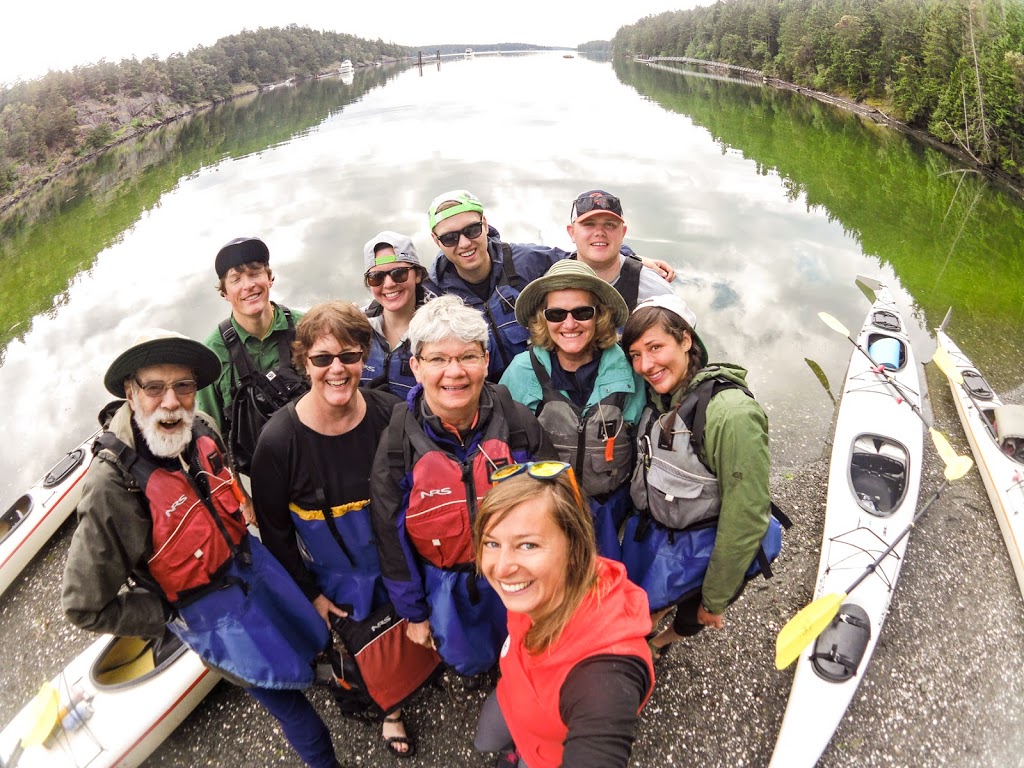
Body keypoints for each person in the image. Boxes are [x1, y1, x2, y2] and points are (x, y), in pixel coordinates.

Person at [62, 330, 340, 768]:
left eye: (184, 386)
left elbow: (222, 487)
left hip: (255, 570)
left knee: (312, 638)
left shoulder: (202, 429)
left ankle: (331, 680)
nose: (171, 402)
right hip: (214, 617)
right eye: (154, 388)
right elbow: (83, 607)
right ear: (131, 394)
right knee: (293, 711)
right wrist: (166, 615)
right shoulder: (110, 487)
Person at [250, 301, 418, 757]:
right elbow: (276, 532)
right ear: (303, 362)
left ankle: (418, 674)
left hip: (398, 558)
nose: (337, 369)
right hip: (338, 577)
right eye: (322, 358)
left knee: (412, 630)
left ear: (366, 354)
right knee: (366, 656)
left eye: (349, 355)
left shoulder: (391, 413)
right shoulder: (279, 441)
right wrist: (310, 595)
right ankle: (390, 711)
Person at [370, 295, 557, 682]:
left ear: (487, 361)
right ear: (416, 367)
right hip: (446, 583)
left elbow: (559, 505)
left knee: (527, 652)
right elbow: (391, 535)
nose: (454, 372)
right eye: (438, 359)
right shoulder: (396, 445)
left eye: (468, 357)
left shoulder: (518, 424)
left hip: (518, 573)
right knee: (467, 658)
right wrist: (415, 613)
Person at [620, 294, 785, 661]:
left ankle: (661, 644)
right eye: (635, 355)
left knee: (696, 610)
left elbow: (746, 517)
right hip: (662, 535)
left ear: (686, 340)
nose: (645, 364)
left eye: (655, 347)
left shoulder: (731, 414)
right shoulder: (658, 396)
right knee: (648, 604)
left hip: (704, 546)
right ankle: (650, 629)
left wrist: (715, 598)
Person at [472, 464, 654, 768]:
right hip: (516, 698)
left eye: (527, 544)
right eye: (492, 543)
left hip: (546, 756)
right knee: (486, 739)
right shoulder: (541, 585)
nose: (501, 568)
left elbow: (599, 740)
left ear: (574, 548)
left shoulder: (605, 674)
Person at [426, 190, 675, 381]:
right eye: (449, 237)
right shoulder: (430, 292)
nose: (464, 243)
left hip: (539, 384)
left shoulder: (525, 261)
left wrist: (630, 260)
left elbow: (584, 255)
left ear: (484, 224)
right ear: (436, 241)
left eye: (471, 229)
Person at [499, 259, 645, 561]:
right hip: (545, 509)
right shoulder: (521, 370)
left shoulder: (630, 370)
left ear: (599, 316)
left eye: (582, 312)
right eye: (556, 314)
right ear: (543, 318)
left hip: (610, 508)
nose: (569, 324)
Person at [196, 236, 307, 477]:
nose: (248, 285)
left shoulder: (307, 326)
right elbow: (212, 438)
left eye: (255, 273)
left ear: (269, 278)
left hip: (315, 454)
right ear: (224, 292)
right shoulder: (212, 354)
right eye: (236, 279)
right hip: (259, 473)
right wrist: (243, 499)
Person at [360, 231, 439, 399]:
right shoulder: (357, 329)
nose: (388, 284)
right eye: (376, 277)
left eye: (399, 273)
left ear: (417, 275)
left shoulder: (443, 328)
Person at [566, 189, 674, 312]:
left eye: (609, 224)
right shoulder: (548, 281)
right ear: (572, 233)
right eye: (589, 224)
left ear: (623, 232)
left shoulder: (657, 293)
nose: (599, 232)